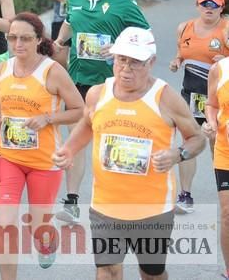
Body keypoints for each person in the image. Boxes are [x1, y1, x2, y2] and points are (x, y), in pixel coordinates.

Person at [53, 27, 206, 280]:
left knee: (151, 273)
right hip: (105, 206)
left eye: (136, 62)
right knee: (107, 271)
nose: (126, 68)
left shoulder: (165, 97)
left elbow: (197, 139)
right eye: (122, 59)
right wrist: (69, 149)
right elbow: (87, 124)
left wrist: (177, 154)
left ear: (151, 62)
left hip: (152, 209)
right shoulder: (97, 94)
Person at [0, 12, 84, 278]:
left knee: (38, 227)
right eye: (13, 37)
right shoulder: (3, 69)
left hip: (43, 162)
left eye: (25, 38)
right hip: (7, 157)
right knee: (5, 225)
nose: (18, 44)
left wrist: (49, 118)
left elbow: (78, 110)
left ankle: (45, 240)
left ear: (38, 40)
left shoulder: (52, 71)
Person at [52, 0, 149, 224]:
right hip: (79, 81)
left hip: (112, 84)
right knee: (77, 141)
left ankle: (122, 200)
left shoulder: (123, 3)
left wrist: (119, 48)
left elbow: (145, 35)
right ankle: (71, 202)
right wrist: (60, 41)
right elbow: (70, 21)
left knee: (115, 143)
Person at [169, 0, 229, 214]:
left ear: (222, 7)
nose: (209, 8)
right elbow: (180, 53)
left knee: (218, 145)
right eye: (205, 3)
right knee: (189, 142)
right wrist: (176, 62)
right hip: (191, 95)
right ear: (198, 5)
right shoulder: (184, 28)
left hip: (221, 99)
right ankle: (185, 195)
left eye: (215, 4)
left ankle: (224, 188)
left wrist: (224, 59)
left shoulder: (226, 29)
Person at [205, 55, 229, 280]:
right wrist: (212, 123)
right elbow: (211, 104)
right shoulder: (219, 69)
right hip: (226, 151)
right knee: (227, 212)